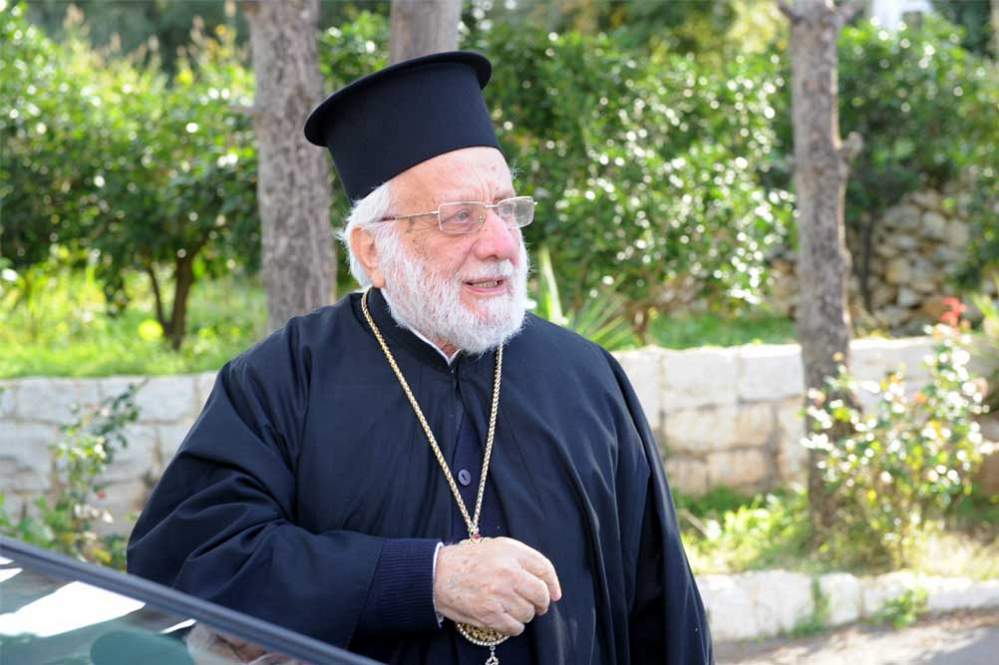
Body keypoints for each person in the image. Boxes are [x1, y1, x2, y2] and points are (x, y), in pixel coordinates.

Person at [127, 51, 713, 665]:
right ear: (372, 250)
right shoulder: (284, 380)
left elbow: (661, 610)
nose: (500, 244)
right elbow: (191, 559)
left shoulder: (588, 378)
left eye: (506, 209)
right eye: (459, 218)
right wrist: (423, 579)